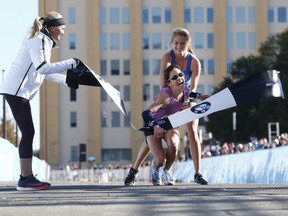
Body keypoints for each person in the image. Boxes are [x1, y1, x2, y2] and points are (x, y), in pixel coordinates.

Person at [0, 11, 79, 191]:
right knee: (28, 132)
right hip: (16, 91)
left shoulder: (44, 40)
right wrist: (71, 63)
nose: (63, 32)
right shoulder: (39, 40)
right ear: (52, 27)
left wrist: (67, 80)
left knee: (28, 132)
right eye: (62, 28)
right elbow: (43, 68)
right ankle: (25, 178)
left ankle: (26, 177)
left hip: (18, 92)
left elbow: (47, 73)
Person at [125, 27, 208, 186]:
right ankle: (135, 170)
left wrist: (198, 97)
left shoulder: (195, 62)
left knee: (192, 128)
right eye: (176, 43)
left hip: (184, 96)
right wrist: (164, 115)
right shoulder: (167, 57)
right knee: (153, 140)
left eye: (182, 44)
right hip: (168, 99)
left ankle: (197, 173)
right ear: (172, 42)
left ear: (188, 43)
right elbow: (164, 84)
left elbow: (192, 91)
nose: (179, 46)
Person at [142, 64, 190, 185]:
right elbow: (146, 112)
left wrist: (202, 96)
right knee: (160, 160)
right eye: (174, 78)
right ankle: (155, 167)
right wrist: (155, 126)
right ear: (169, 83)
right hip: (152, 124)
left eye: (180, 75)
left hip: (169, 124)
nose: (179, 78)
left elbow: (191, 95)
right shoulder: (165, 96)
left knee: (174, 146)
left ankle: (166, 172)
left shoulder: (185, 90)